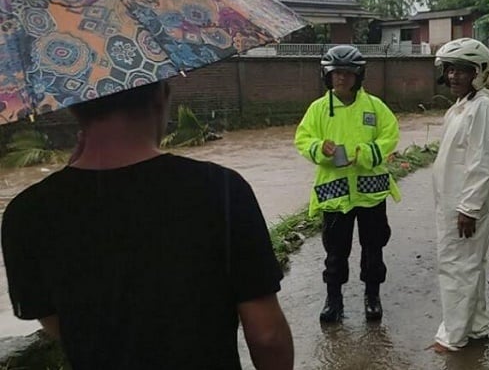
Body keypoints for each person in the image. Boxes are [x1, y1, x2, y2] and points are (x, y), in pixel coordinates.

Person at [1, 81, 294, 370]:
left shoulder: (26, 212)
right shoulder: (222, 190)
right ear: (162, 94)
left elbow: (60, 323)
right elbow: (267, 336)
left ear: (72, 107)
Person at [294, 45, 400, 324]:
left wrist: (365, 154)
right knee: (335, 251)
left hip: (370, 192)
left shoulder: (375, 107)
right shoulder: (318, 109)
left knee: (374, 246)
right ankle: (334, 299)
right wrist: (319, 148)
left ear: (358, 75)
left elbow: (390, 135)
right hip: (335, 193)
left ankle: (372, 296)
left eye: (347, 73)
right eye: (335, 73)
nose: (341, 78)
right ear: (327, 76)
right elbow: (302, 139)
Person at [430, 38, 489, 352]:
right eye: (450, 70)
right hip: (453, 204)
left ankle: (453, 336)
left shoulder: (484, 108)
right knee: (470, 267)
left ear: (478, 72)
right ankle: (475, 327)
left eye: (461, 71)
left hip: (463, 208)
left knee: (456, 268)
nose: (453, 77)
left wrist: (469, 208)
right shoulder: (462, 107)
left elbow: (483, 161)